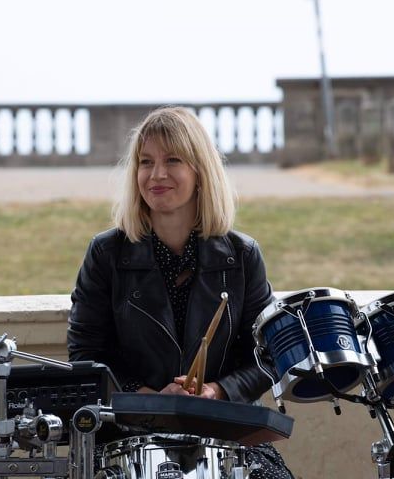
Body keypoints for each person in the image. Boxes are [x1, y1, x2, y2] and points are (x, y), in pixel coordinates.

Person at [67, 106, 293, 478]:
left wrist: (216, 392)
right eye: (145, 162)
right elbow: (86, 354)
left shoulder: (242, 255)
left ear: (200, 171)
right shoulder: (106, 253)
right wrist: (149, 400)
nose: (156, 174)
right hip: (126, 434)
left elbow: (267, 357)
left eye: (172, 160)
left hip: (225, 434)